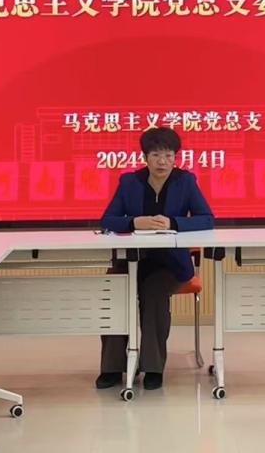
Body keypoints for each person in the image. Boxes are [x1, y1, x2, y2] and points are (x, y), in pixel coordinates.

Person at [96, 127, 215, 391]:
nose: (163, 162)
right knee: (115, 292)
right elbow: (107, 220)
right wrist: (133, 222)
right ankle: (112, 368)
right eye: (156, 155)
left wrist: (174, 222)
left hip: (170, 264)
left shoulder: (185, 181)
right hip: (130, 261)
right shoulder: (130, 182)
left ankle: (152, 367)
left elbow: (207, 219)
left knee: (153, 293)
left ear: (175, 157)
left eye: (169, 156)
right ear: (145, 158)